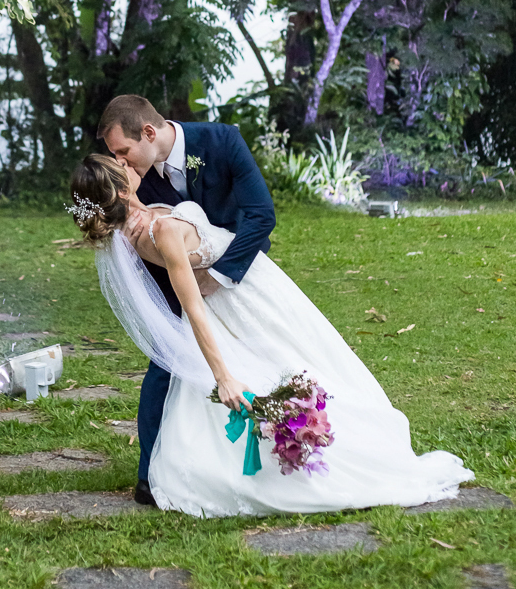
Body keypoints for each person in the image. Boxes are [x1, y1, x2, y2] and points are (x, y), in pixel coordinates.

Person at [68, 150, 472, 517]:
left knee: (302, 355)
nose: (126, 163)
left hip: (250, 285)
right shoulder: (160, 232)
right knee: (293, 362)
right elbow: (191, 306)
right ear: (121, 194)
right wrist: (223, 377)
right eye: (119, 166)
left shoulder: (133, 229)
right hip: (241, 301)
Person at [96, 95, 276, 506]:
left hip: (236, 264)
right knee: (167, 358)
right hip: (169, 267)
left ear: (148, 132)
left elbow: (261, 215)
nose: (121, 163)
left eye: (123, 152)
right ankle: (150, 473)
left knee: (256, 352)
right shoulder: (134, 177)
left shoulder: (222, 142)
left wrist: (219, 274)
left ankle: (263, 445)